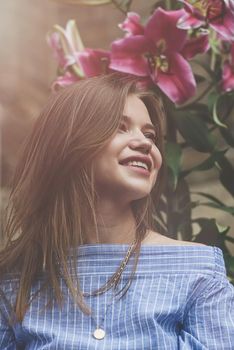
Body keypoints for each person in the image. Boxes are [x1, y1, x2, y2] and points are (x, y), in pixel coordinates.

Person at [0, 73, 233, 349]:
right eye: (120, 127)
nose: (146, 143)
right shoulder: (15, 279)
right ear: (67, 144)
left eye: (150, 135)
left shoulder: (197, 270)